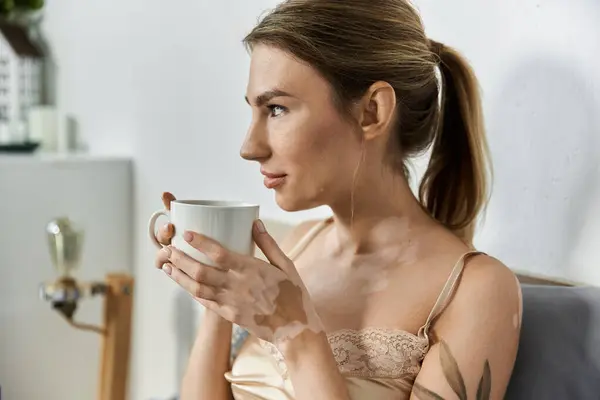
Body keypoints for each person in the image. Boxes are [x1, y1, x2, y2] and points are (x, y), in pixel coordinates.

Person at [153, 0, 522, 399]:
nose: (249, 147)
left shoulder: (477, 290)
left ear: (371, 112)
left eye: (276, 109)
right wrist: (215, 293)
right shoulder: (298, 245)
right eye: (254, 112)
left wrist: (296, 334)